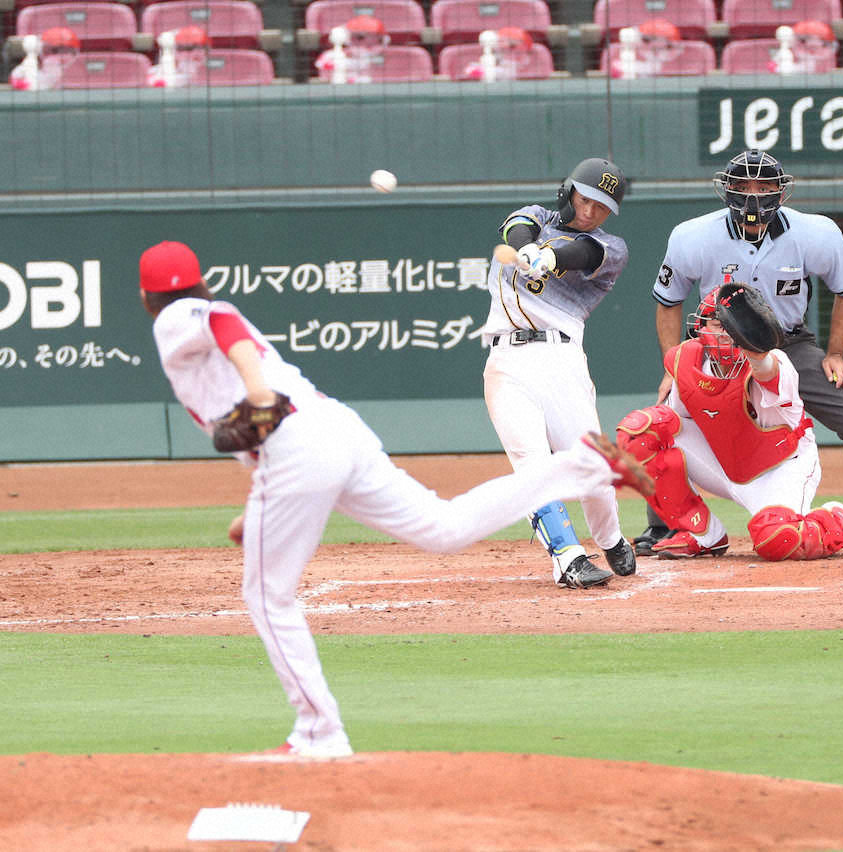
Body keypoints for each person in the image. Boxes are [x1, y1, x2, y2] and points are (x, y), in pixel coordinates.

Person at [139, 240, 648, 758]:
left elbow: (221, 326)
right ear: (201, 278)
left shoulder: (174, 317)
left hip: (299, 447)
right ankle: (580, 466)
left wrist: (259, 396)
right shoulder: (203, 328)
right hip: (333, 430)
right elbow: (245, 378)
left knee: (268, 597)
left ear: (145, 297)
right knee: (443, 528)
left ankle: (319, 733)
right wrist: (258, 508)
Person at [636, 148, 843, 555]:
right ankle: (667, 526)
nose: (752, 196)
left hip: (790, 345)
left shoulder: (816, 232)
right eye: (743, 186)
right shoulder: (691, 235)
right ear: (725, 190)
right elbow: (667, 301)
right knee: (659, 426)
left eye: (764, 187)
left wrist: (835, 354)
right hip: (718, 349)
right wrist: (674, 363)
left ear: (782, 193)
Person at [617, 284, 843, 561]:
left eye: (733, 326)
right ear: (700, 327)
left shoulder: (774, 362)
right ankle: (701, 533)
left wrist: (755, 350)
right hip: (724, 462)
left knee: (776, 538)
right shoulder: (687, 360)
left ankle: (839, 520)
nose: (726, 333)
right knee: (640, 430)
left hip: (780, 466)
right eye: (717, 324)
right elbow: (675, 423)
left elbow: (765, 370)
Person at [482, 157, 638, 589]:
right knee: (532, 465)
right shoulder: (535, 217)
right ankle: (568, 559)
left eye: (602, 206)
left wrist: (549, 257)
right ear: (568, 192)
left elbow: (582, 252)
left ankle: (609, 538)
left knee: (592, 467)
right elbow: (517, 228)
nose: (590, 211)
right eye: (585, 198)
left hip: (562, 361)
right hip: (506, 362)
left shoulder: (612, 248)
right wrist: (530, 246)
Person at [315, 15, 389, 84]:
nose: (356, 41)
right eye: (354, 36)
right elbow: (320, 63)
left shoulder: (386, 55)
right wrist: (340, 62)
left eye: (360, 37)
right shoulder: (335, 54)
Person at [9, 27, 80, 91]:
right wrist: (23, 84)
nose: (56, 55)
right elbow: (15, 77)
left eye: (63, 50)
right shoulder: (30, 63)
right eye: (54, 50)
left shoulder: (52, 63)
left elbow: (43, 86)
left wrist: (27, 84)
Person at [610, 19, 681, 80]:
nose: (646, 43)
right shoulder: (630, 57)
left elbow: (654, 68)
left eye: (647, 39)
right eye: (645, 39)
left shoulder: (676, 60)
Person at [462, 26, 535, 82]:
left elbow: (509, 73)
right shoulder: (496, 56)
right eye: (500, 41)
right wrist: (476, 69)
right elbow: (469, 70)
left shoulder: (525, 60)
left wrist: (486, 72)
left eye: (511, 45)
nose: (503, 46)